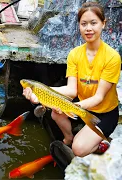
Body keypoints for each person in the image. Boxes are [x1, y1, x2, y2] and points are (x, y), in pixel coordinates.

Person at [23, 2, 121, 157]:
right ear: (79, 26)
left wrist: (72, 107)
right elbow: (71, 90)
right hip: (83, 107)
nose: (88, 28)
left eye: (93, 23)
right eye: (84, 24)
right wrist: (38, 91)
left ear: (103, 24)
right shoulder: (74, 54)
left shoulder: (112, 57)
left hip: (105, 112)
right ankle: (69, 136)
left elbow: (99, 97)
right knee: (56, 113)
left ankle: (99, 143)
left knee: (78, 150)